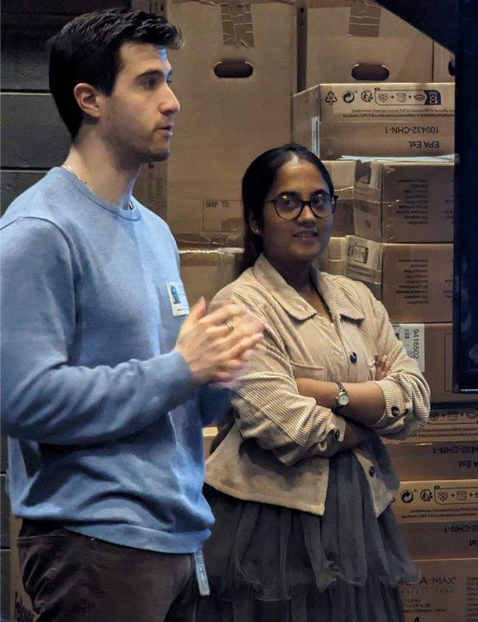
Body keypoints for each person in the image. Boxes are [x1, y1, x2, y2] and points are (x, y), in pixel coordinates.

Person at [0, 9, 264, 622]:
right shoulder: (39, 231)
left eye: (168, 80)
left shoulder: (154, 232)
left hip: (173, 541)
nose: (171, 102)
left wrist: (217, 379)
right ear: (89, 99)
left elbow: (173, 397)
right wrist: (180, 368)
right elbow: (23, 400)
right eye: (149, 82)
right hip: (94, 548)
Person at [198, 143, 431, 622]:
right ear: (256, 220)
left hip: (364, 515)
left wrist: (327, 393)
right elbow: (290, 428)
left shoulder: (357, 297)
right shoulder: (238, 306)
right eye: (288, 202)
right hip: (269, 527)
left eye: (320, 200)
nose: (308, 215)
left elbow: (414, 398)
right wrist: (371, 418)